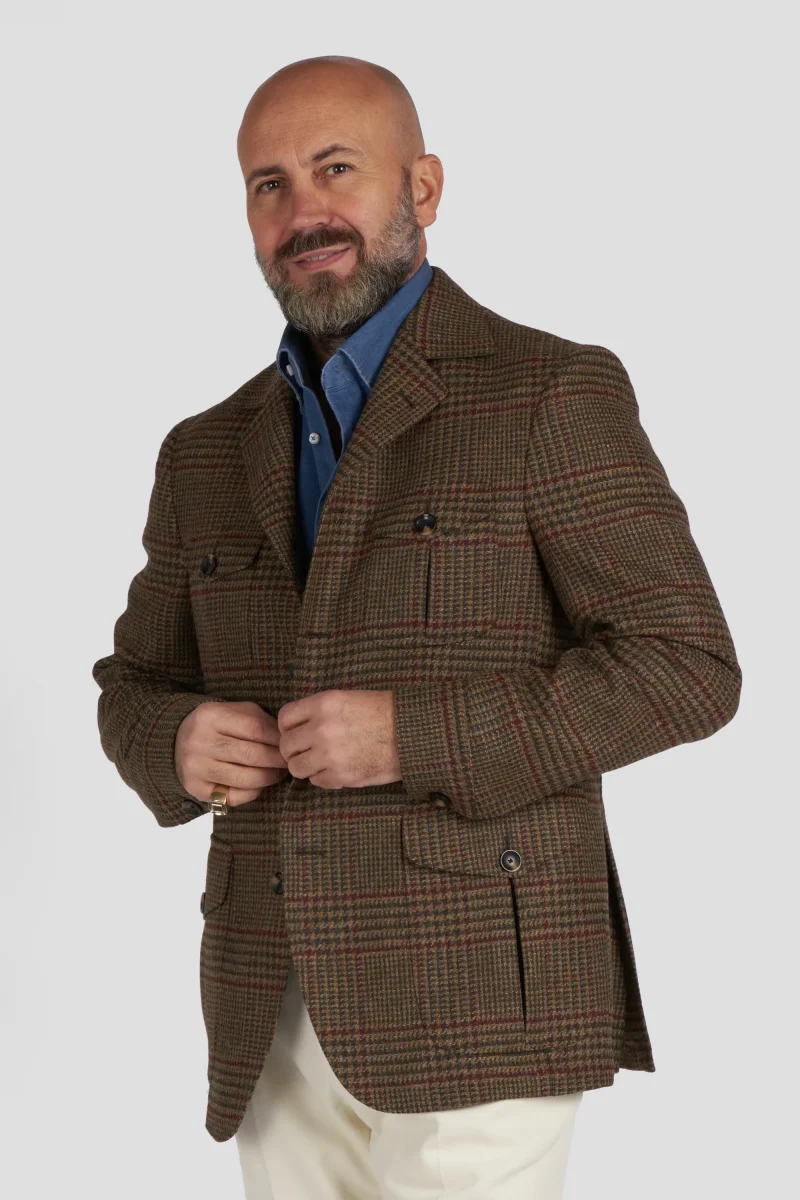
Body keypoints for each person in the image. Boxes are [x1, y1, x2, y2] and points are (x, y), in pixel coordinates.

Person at [92, 54, 742, 1199]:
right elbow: (133, 683)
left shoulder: (548, 394)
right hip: (267, 999)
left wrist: (413, 736)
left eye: (335, 169)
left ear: (423, 187)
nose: (302, 212)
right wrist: (177, 743)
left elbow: (684, 666)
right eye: (268, 184)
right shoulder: (202, 451)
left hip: (479, 991)